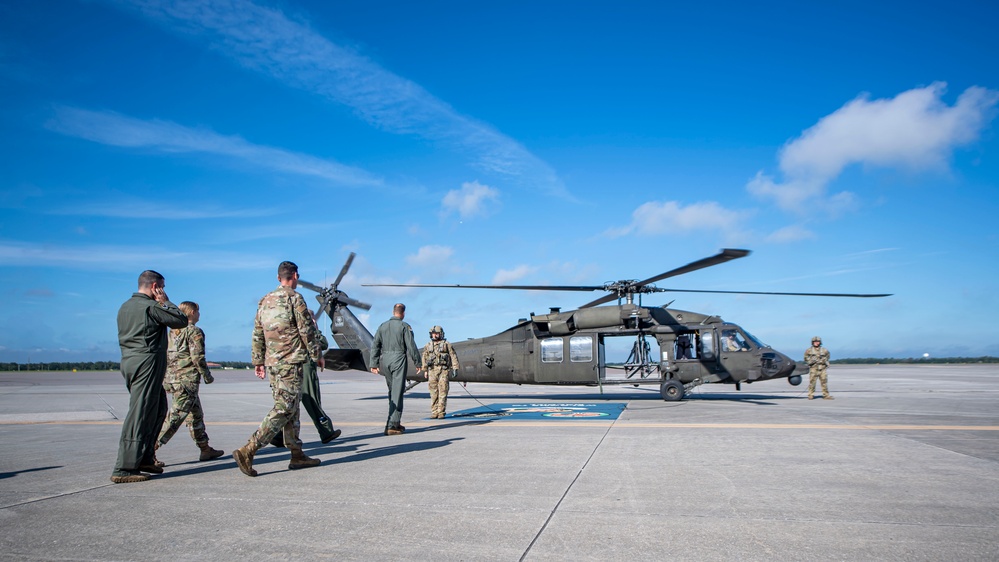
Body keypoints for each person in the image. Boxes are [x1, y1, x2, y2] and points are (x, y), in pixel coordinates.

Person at [233, 261, 325, 477]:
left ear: (278, 278)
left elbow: (257, 332)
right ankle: (249, 449)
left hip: (272, 363)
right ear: (295, 276)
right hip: (290, 361)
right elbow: (306, 330)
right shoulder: (295, 298)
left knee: (292, 407)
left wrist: (258, 361)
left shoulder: (264, 300)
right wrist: (317, 355)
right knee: (284, 408)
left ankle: (297, 453)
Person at [111, 270, 189, 484]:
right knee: (140, 413)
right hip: (146, 363)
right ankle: (124, 467)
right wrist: (166, 302)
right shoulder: (151, 306)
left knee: (157, 410)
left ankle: (144, 458)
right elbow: (180, 320)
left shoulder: (125, 307)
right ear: (156, 287)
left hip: (131, 362)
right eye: (162, 287)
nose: (163, 291)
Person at [155, 301, 224, 462]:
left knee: (196, 415)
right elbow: (197, 357)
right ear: (192, 312)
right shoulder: (194, 331)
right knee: (175, 417)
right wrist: (207, 376)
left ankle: (205, 448)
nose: (199, 314)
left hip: (172, 379)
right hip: (187, 381)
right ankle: (150, 450)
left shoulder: (172, 332)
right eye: (198, 311)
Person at [270, 318, 341, 447]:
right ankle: (326, 431)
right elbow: (323, 343)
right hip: (306, 366)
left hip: (290, 367)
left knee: (289, 403)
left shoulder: (289, 329)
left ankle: (279, 435)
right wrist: (315, 328)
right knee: (312, 401)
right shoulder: (307, 329)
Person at [370, 303, 422, 435]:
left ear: (393, 312)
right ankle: (392, 425)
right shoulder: (404, 326)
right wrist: (418, 362)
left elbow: (375, 345)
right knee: (397, 392)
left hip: (385, 360)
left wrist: (374, 363)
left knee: (392, 392)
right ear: (403, 313)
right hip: (398, 359)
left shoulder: (382, 326)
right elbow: (411, 345)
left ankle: (394, 421)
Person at [421, 325, 460, 419]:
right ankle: (434, 412)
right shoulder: (428, 345)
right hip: (432, 370)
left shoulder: (447, 344)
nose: (435, 335)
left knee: (443, 391)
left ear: (441, 334)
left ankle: (441, 412)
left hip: (443, 370)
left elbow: (453, 356)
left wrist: (455, 368)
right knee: (433, 392)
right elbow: (424, 357)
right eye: (433, 334)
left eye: (437, 333)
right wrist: (425, 370)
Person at [805, 335, 832, 400]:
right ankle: (810, 395)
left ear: (820, 342)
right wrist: (811, 361)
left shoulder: (824, 350)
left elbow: (828, 356)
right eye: (815, 341)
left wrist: (824, 361)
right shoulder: (809, 350)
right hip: (814, 368)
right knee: (812, 382)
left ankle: (826, 395)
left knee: (824, 382)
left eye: (818, 341)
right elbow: (806, 358)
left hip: (822, 368)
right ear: (812, 342)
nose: (816, 343)